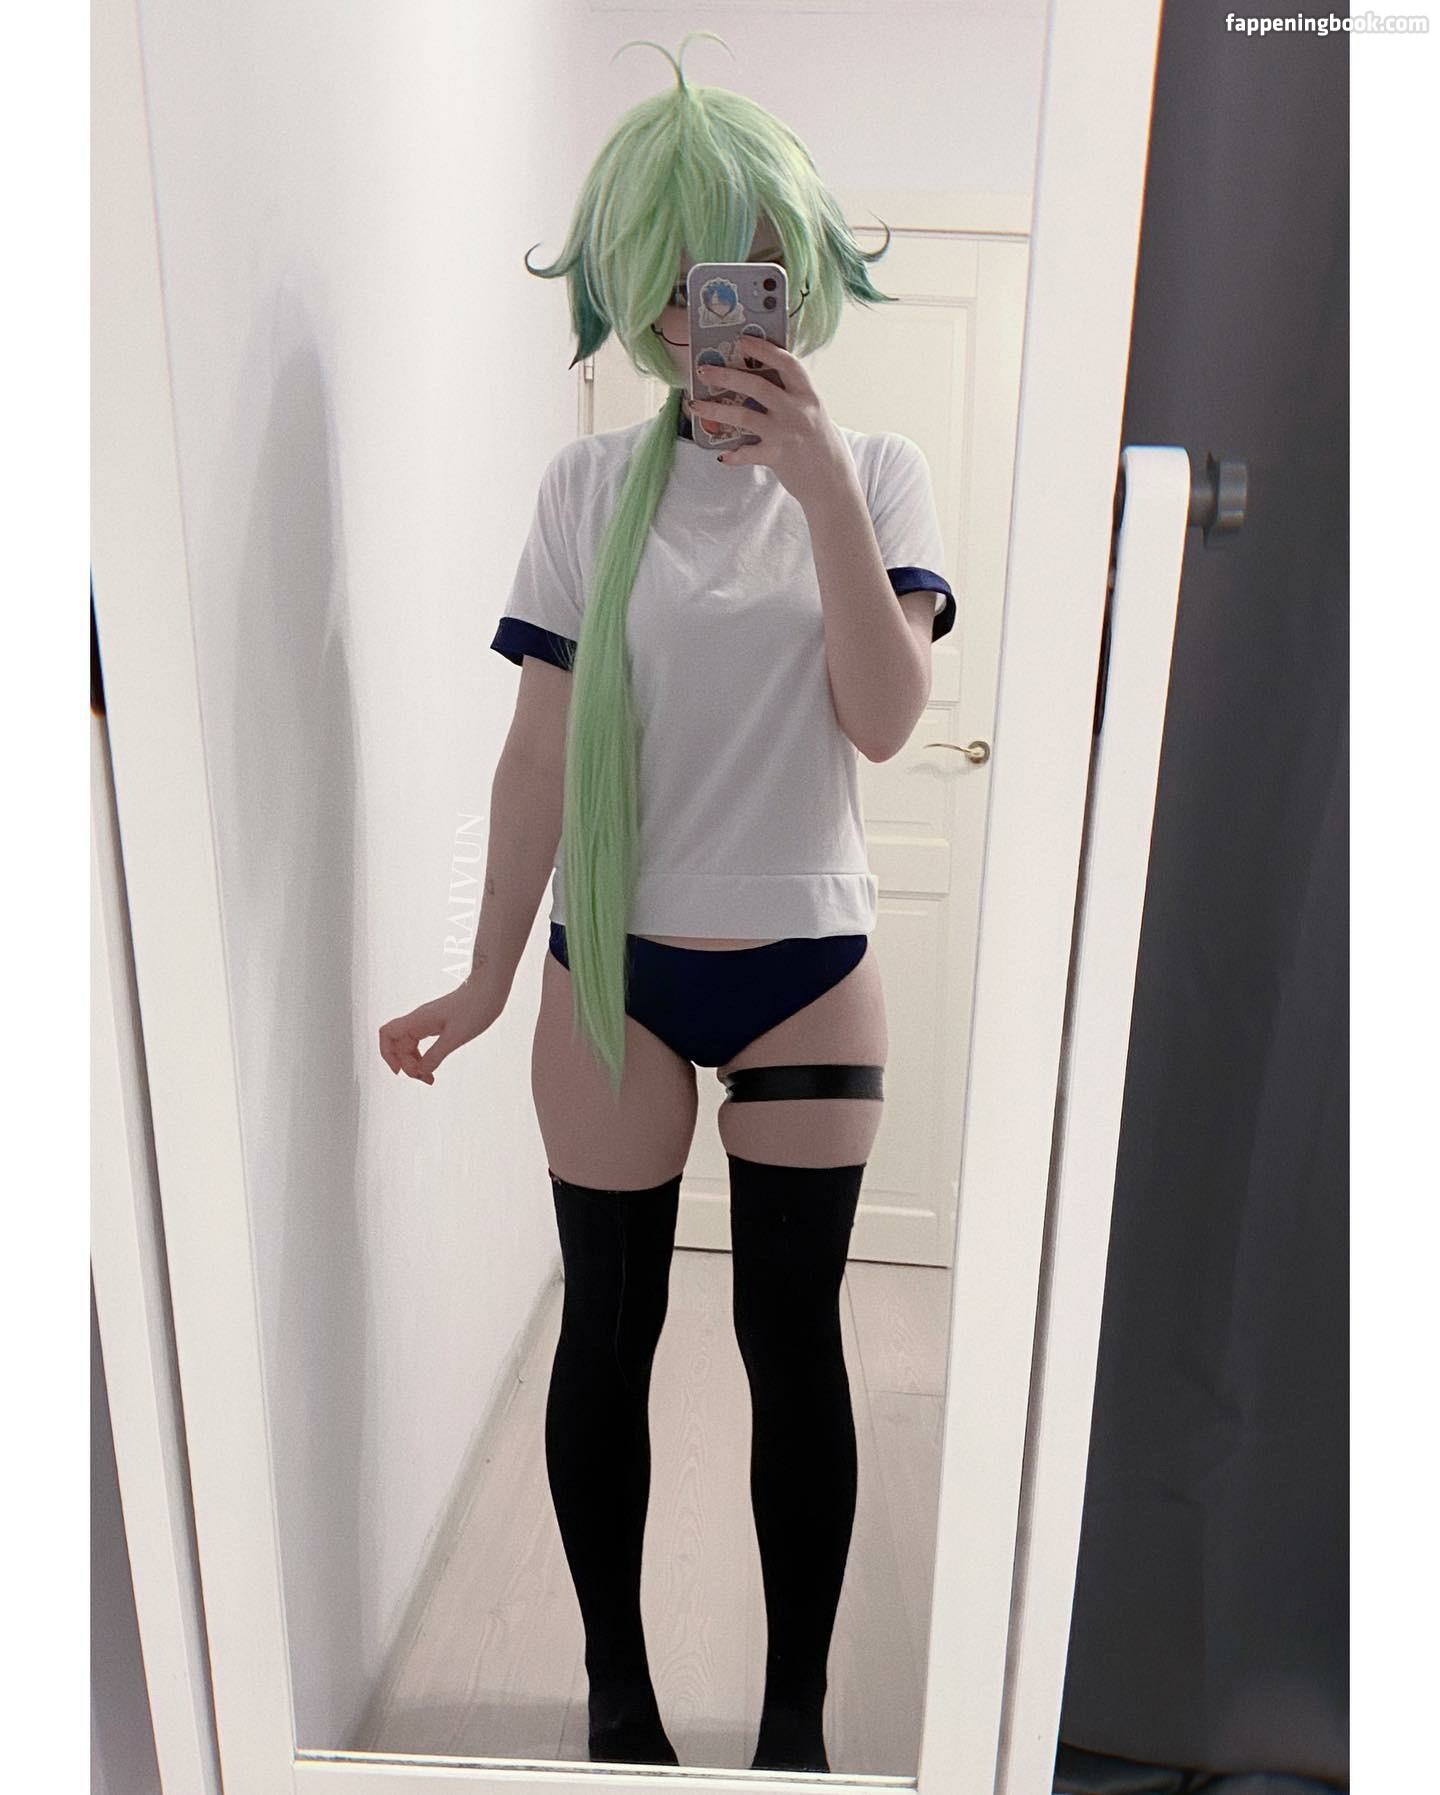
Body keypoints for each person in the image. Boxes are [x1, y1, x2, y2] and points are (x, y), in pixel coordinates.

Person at [379, 30, 955, 1776]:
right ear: (644, 294)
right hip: (609, 974)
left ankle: (796, 1725)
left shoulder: (882, 476)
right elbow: (536, 762)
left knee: (792, 1342)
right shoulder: (582, 492)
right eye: (693, 276)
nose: (724, 312)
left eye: (754, 269)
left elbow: (884, 717)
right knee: (608, 1338)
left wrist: (822, 483)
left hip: (807, 971)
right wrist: (486, 979)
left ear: (799, 273)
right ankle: (619, 1702)